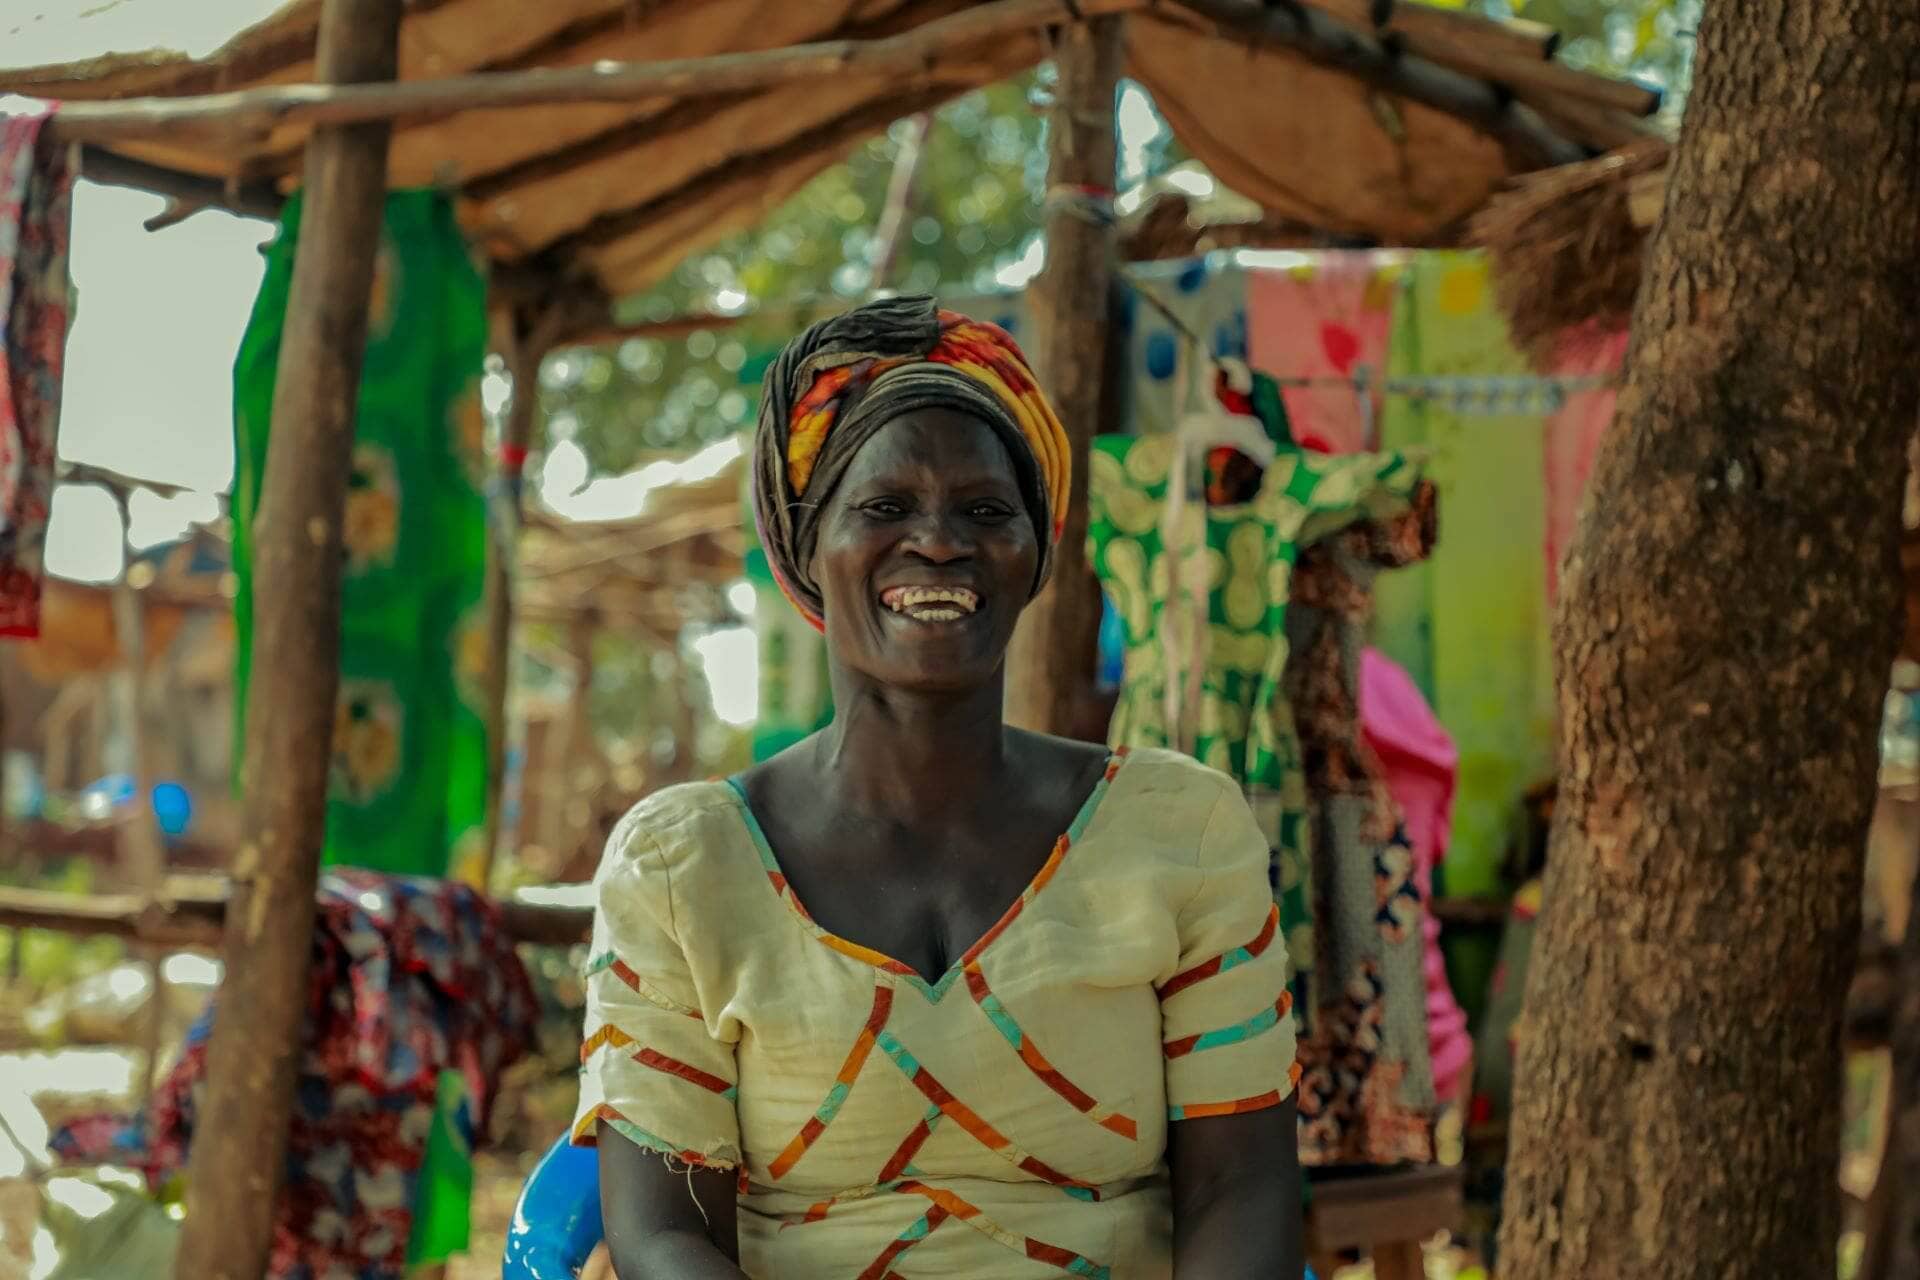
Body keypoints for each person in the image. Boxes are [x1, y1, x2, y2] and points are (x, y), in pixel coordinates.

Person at [575, 295, 1303, 1278]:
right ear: (807, 548)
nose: (940, 539)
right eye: (884, 506)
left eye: (985, 509)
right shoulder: (683, 863)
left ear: (1035, 551)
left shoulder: (1180, 828)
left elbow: (1242, 1189)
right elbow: (664, 1233)